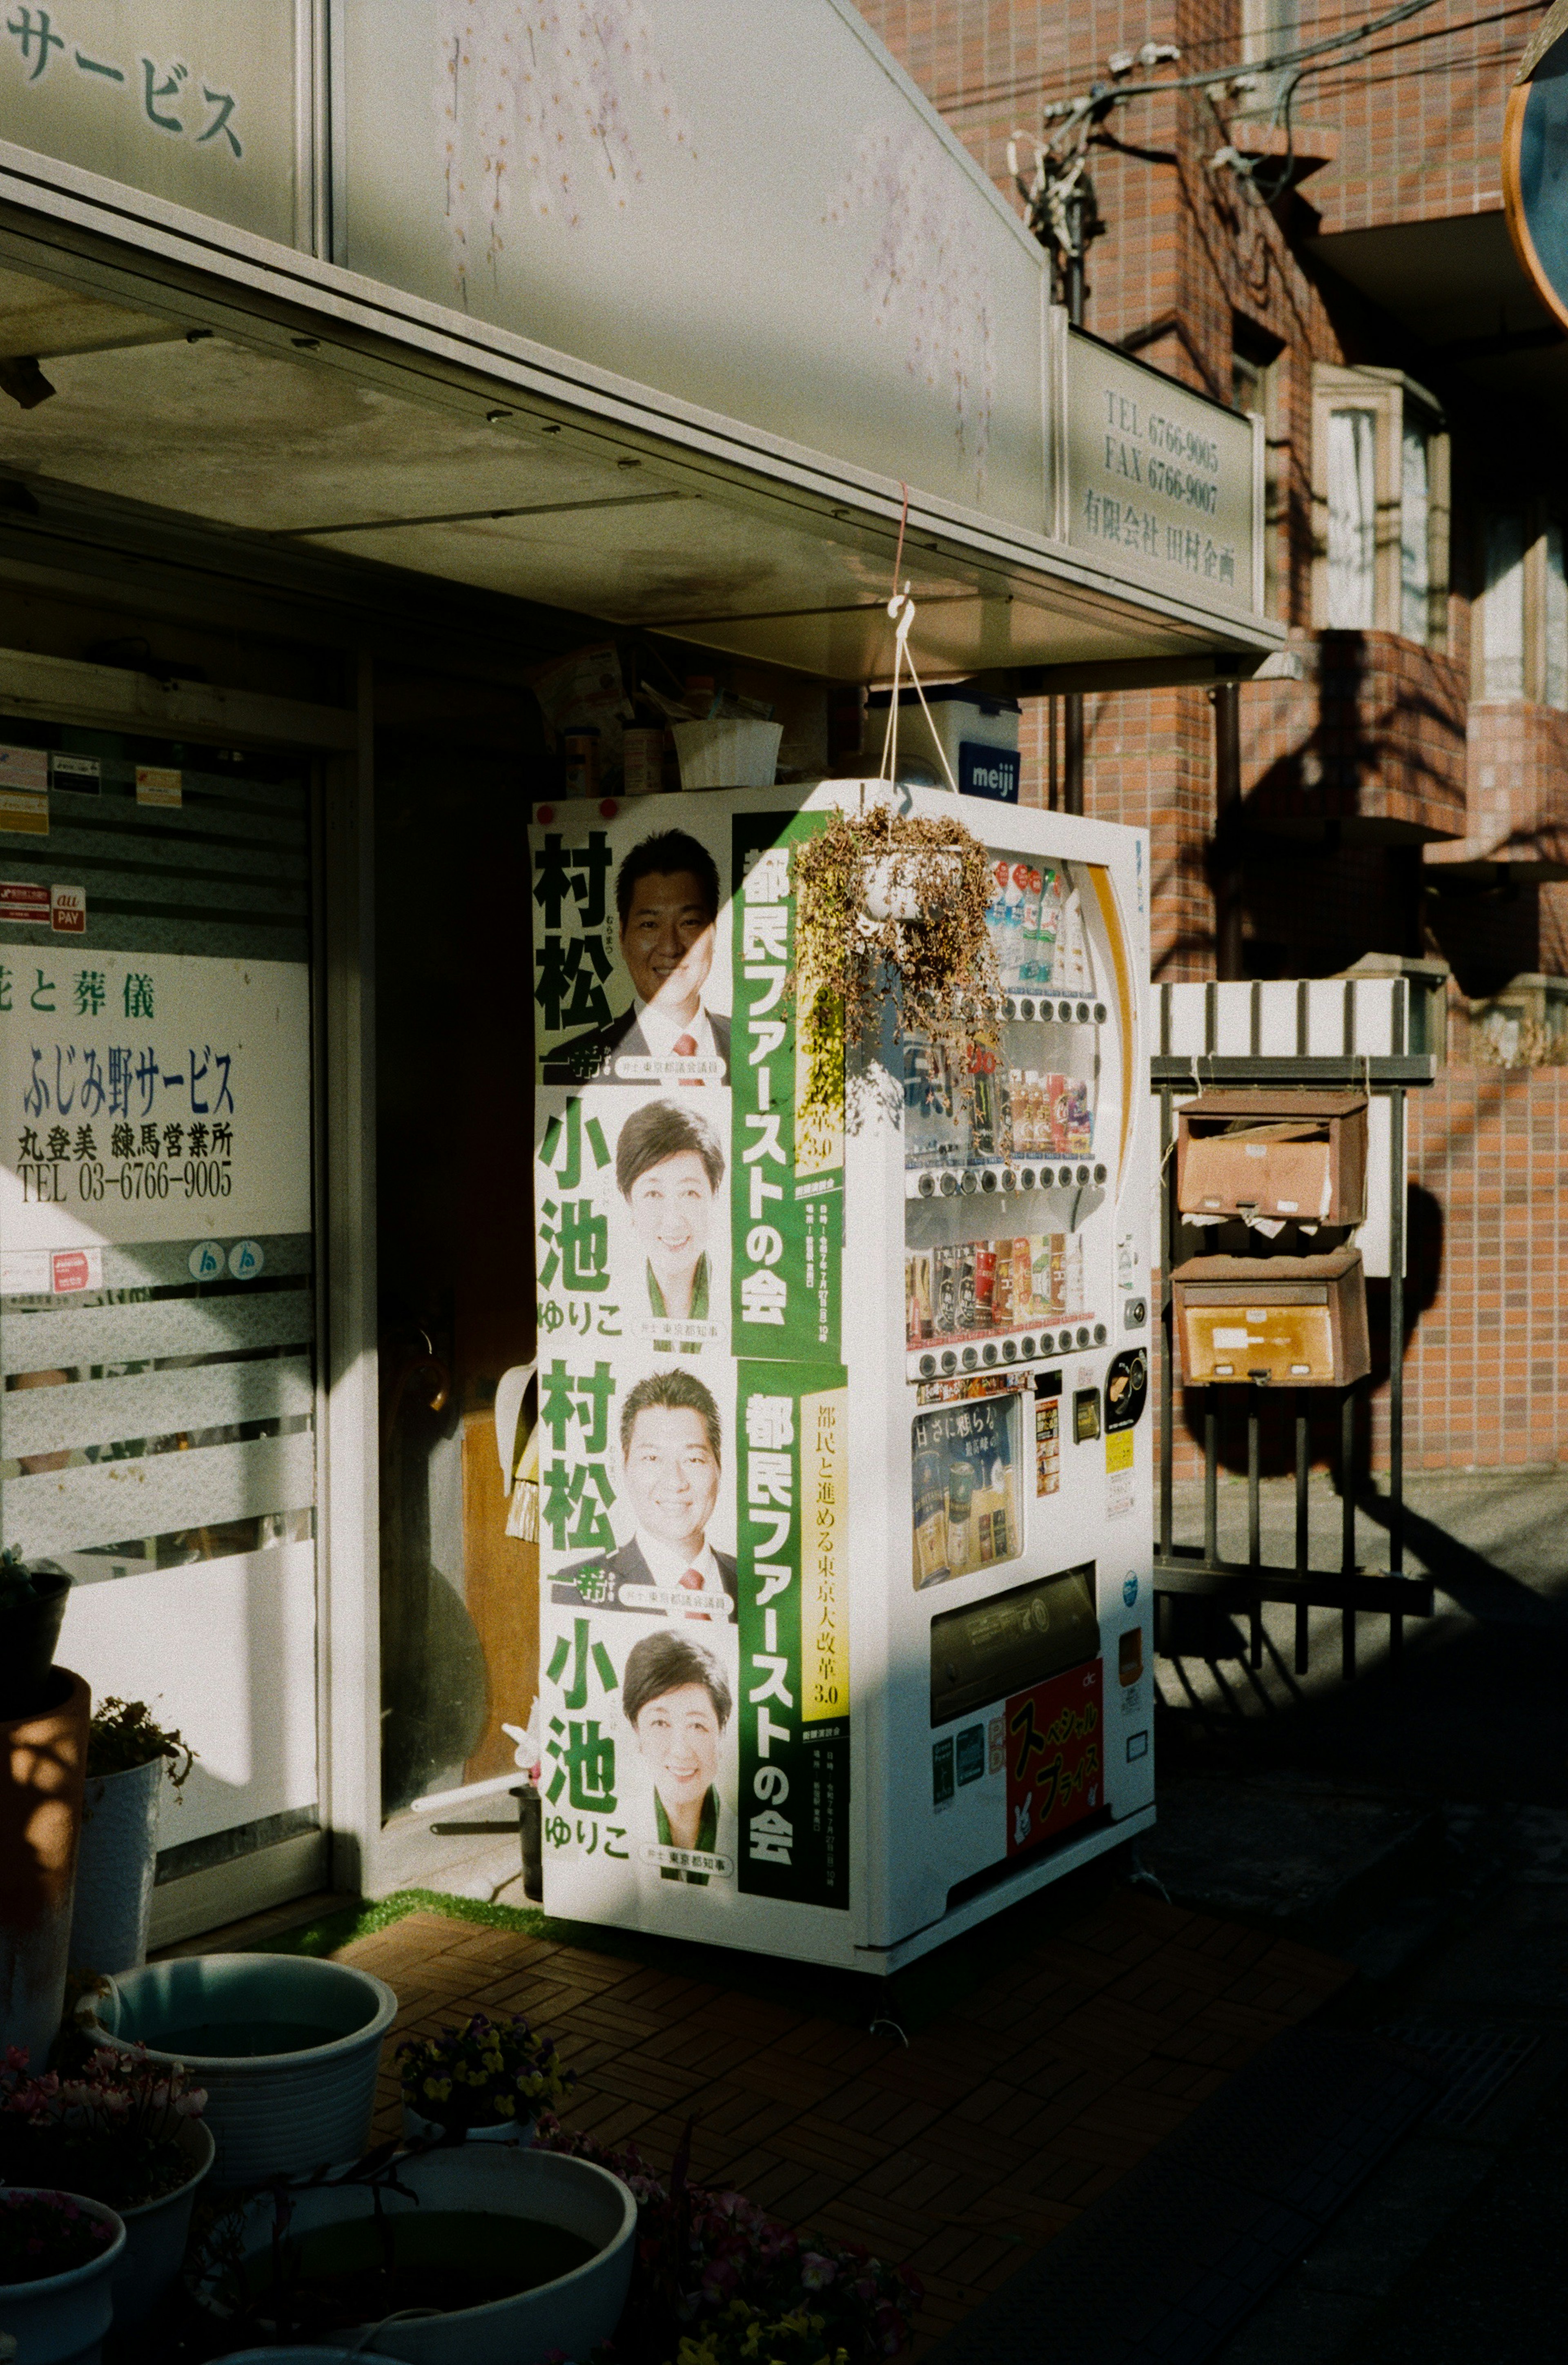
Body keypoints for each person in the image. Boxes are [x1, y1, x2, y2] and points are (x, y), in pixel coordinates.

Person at [543, 828, 731, 1085]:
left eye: (688, 922)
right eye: (650, 925)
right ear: (622, 935)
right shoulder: (569, 1067)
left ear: (713, 930)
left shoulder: (757, 1047)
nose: (670, 947)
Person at [551, 1367, 736, 1617]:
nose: (675, 1482)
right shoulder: (578, 1591)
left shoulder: (758, 1583)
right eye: (652, 1458)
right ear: (624, 1468)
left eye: (693, 1459)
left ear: (719, 1467)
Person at [622, 1628, 734, 1885]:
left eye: (697, 1726)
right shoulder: (613, 1834)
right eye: (660, 1723)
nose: (681, 1750)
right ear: (637, 1732)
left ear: (722, 1731)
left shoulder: (754, 1839)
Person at [616, 1098, 724, 1354]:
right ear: (630, 1203)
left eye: (689, 1193)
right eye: (654, 1194)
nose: (673, 1221)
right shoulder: (609, 1305)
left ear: (714, 1196)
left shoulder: (749, 1300)